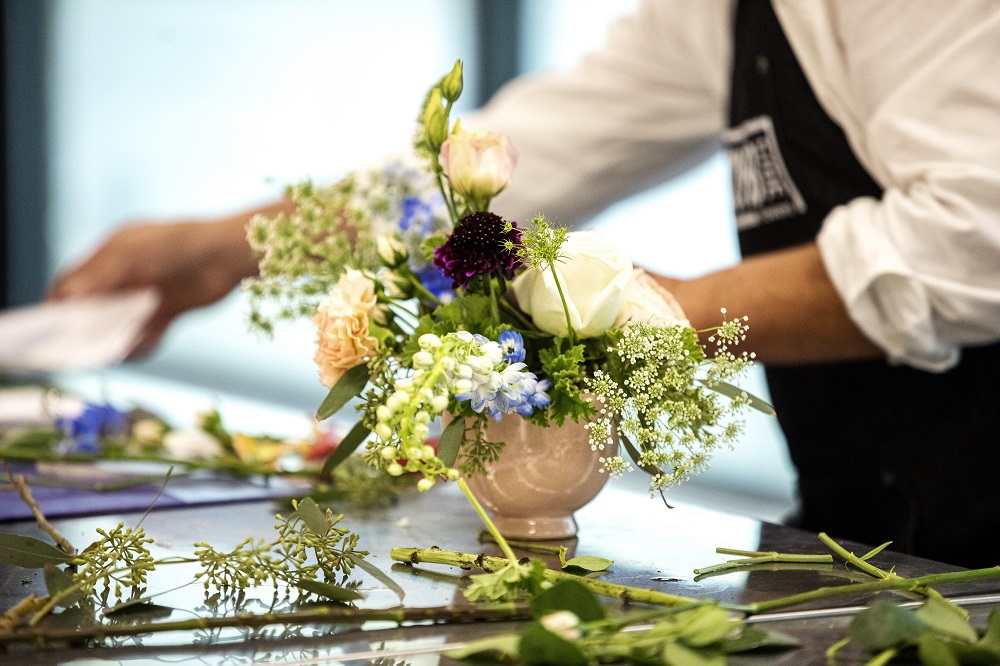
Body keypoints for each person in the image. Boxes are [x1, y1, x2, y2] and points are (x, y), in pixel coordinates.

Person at [49, 0, 1000, 568]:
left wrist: (635, 313)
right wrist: (221, 249)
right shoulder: (717, 13)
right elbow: (504, 167)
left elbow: (977, 233)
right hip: (871, 525)